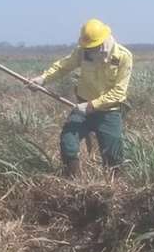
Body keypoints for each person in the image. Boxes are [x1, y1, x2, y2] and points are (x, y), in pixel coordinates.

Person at [30, 19, 132, 177]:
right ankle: (72, 182)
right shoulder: (82, 51)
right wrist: (42, 79)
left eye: (93, 47)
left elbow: (119, 92)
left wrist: (91, 105)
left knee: (113, 155)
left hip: (108, 112)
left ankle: (115, 186)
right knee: (68, 141)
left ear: (103, 42)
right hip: (82, 107)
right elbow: (63, 66)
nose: (89, 51)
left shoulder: (123, 57)